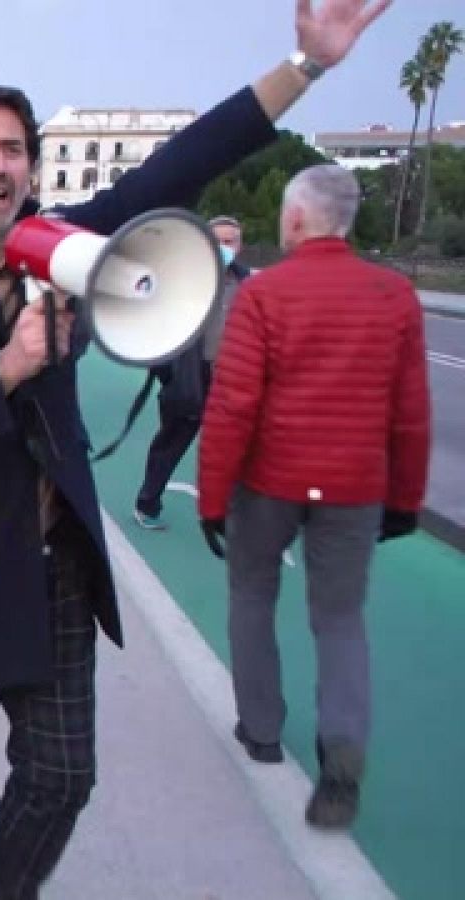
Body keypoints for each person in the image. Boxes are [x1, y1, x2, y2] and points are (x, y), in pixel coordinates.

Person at [0, 3, 389, 895]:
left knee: (62, 778)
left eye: (14, 149)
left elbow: (190, 158)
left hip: (50, 565)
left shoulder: (62, 244)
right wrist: (8, 369)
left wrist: (306, 67)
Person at [197, 162, 429, 830]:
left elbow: (233, 406)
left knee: (251, 594)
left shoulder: (266, 297)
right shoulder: (393, 296)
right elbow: (410, 411)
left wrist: (213, 497)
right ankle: (343, 750)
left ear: (294, 219)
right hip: (355, 487)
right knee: (340, 617)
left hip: (268, 480)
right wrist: (405, 496)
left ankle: (261, 727)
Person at [133, 215, 252, 529]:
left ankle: (228, 512)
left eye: (229, 241)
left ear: (239, 247)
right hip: (188, 379)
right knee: (171, 443)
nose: (222, 247)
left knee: (235, 448)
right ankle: (147, 503)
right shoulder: (178, 280)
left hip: (231, 378)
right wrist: (169, 374)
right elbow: (152, 330)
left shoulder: (249, 285)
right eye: (215, 240)